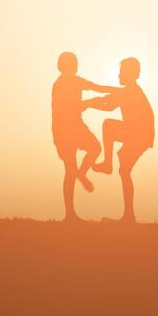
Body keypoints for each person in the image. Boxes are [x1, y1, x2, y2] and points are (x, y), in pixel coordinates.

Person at [83, 57, 154, 223]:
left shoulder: (130, 91)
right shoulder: (129, 90)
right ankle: (129, 216)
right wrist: (90, 100)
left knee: (108, 125)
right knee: (124, 171)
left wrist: (87, 104)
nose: (119, 74)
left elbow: (108, 105)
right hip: (139, 134)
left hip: (139, 134)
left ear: (132, 74)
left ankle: (107, 163)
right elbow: (107, 94)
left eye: (122, 71)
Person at [51, 51, 117, 223]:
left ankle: (81, 173)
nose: (74, 66)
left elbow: (99, 87)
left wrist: (120, 91)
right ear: (63, 66)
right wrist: (91, 102)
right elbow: (67, 108)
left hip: (76, 126)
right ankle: (70, 214)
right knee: (69, 170)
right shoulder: (59, 85)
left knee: (95, 148)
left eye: (75, 63)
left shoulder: (78, 81)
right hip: (63, 129)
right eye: (71, 63)